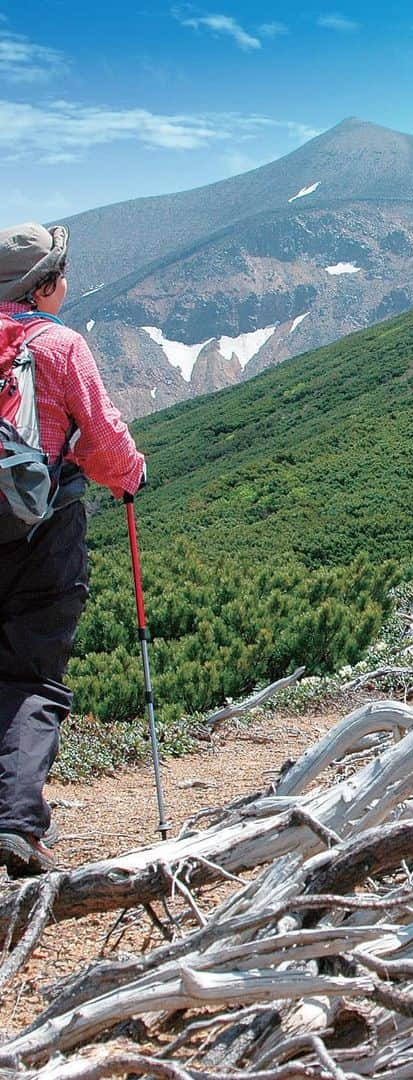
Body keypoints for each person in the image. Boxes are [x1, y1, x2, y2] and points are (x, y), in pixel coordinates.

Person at [0, 222, 145, 877]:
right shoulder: (59, 346)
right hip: (43, 530)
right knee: (31, 676)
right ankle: (16, 827)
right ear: (47, 283)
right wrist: (133, 474)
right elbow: (105, 446)